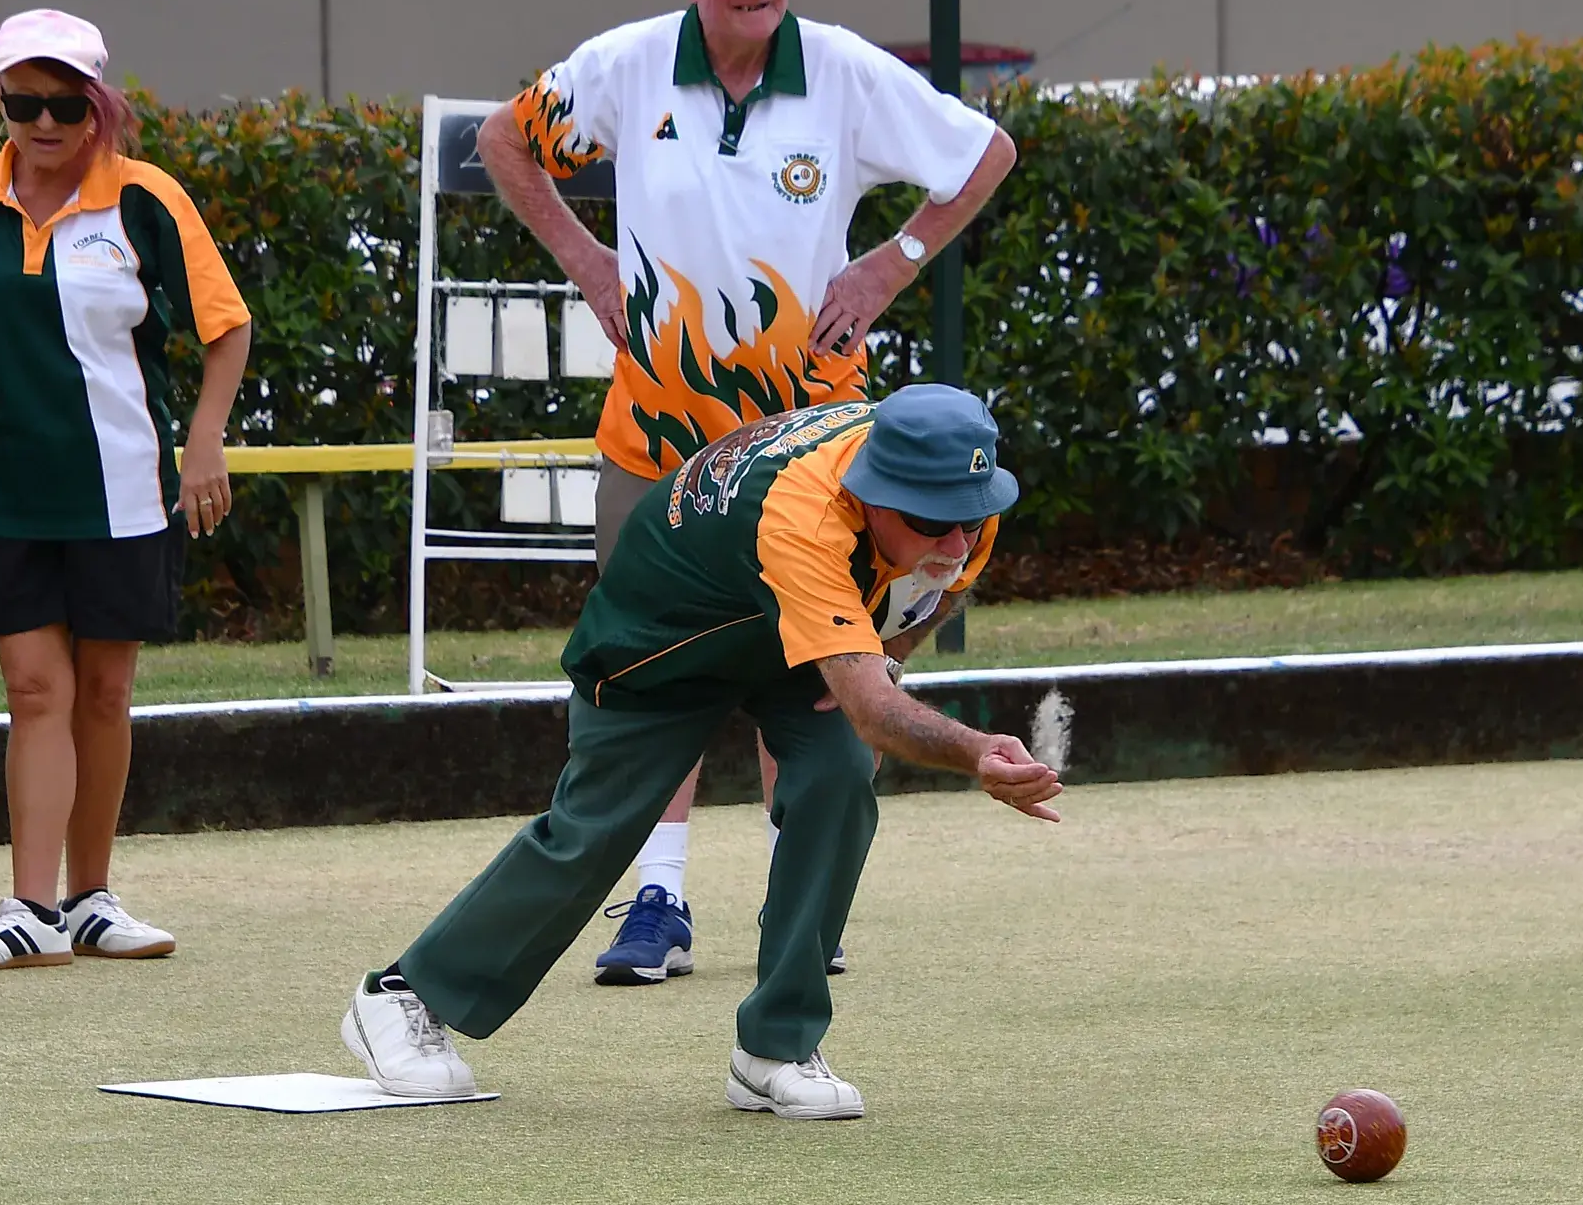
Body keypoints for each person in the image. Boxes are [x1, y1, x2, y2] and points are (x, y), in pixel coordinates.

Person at [475, 0, 1017, 985]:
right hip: (658, 441)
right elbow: (504, 139)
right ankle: (658, 896)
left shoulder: (845, 72)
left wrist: (890, 263)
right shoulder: (625, 66)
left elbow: (984, 154)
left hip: (808, 443)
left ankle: (797, 893)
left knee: (814, 671)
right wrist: (585, 261)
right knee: (647, 674)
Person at [341, 386, 1064, 1120]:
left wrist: (884, 652)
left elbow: (939, 592)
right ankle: (403, 993)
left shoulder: (960, 497)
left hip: (794, 626)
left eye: (970, 520)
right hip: (666, 629)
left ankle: (775, 1047)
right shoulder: (804, 514)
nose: (956, 543)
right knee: (596, 828)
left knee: (837, 773)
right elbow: (876, 716)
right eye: (931, 523)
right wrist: (976, 751)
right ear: (870, 493)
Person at [0, 9, 253, 971]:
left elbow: (225, 328)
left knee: (104, 692)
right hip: (1, 481)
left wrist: (204, 445)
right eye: (25, 103)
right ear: (1, 102)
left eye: (67, 104)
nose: (46, 123)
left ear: (98, 104)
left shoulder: (146, 200)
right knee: (33, 687)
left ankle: (91, 898)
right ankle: (27, 908)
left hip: (124, 487)